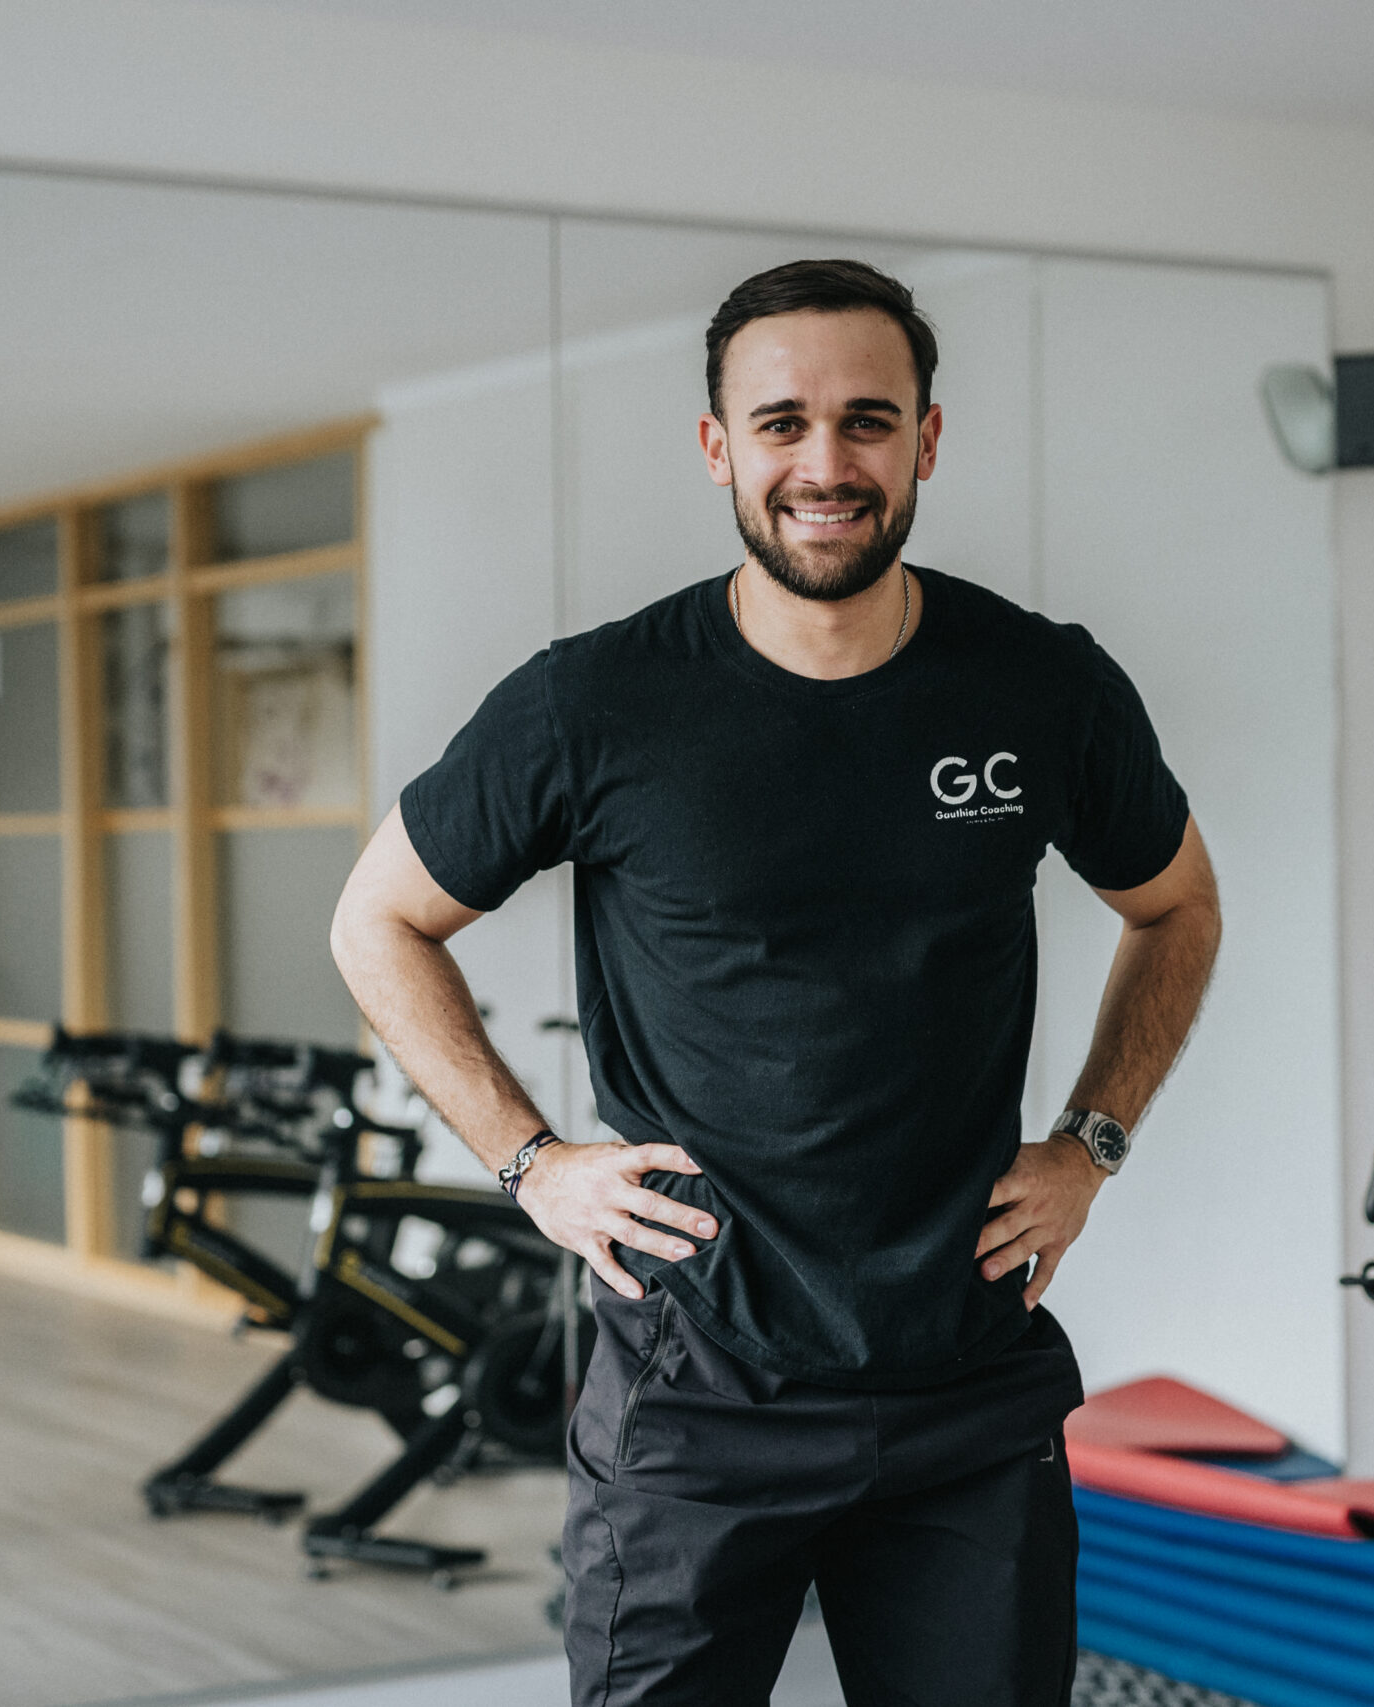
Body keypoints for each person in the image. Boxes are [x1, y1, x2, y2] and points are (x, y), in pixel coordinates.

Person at [332, 258, 1220, 1706]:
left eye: (869, 421)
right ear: (718, 446)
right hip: (699, 1390)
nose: (827, 462)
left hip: (966, 1379)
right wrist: (533, 1159)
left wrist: (1094, 1139)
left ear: (929, 438)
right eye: (782, 422)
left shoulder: (1039, 686)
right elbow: (379, 920)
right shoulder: (594, 702)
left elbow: (1175, 904)